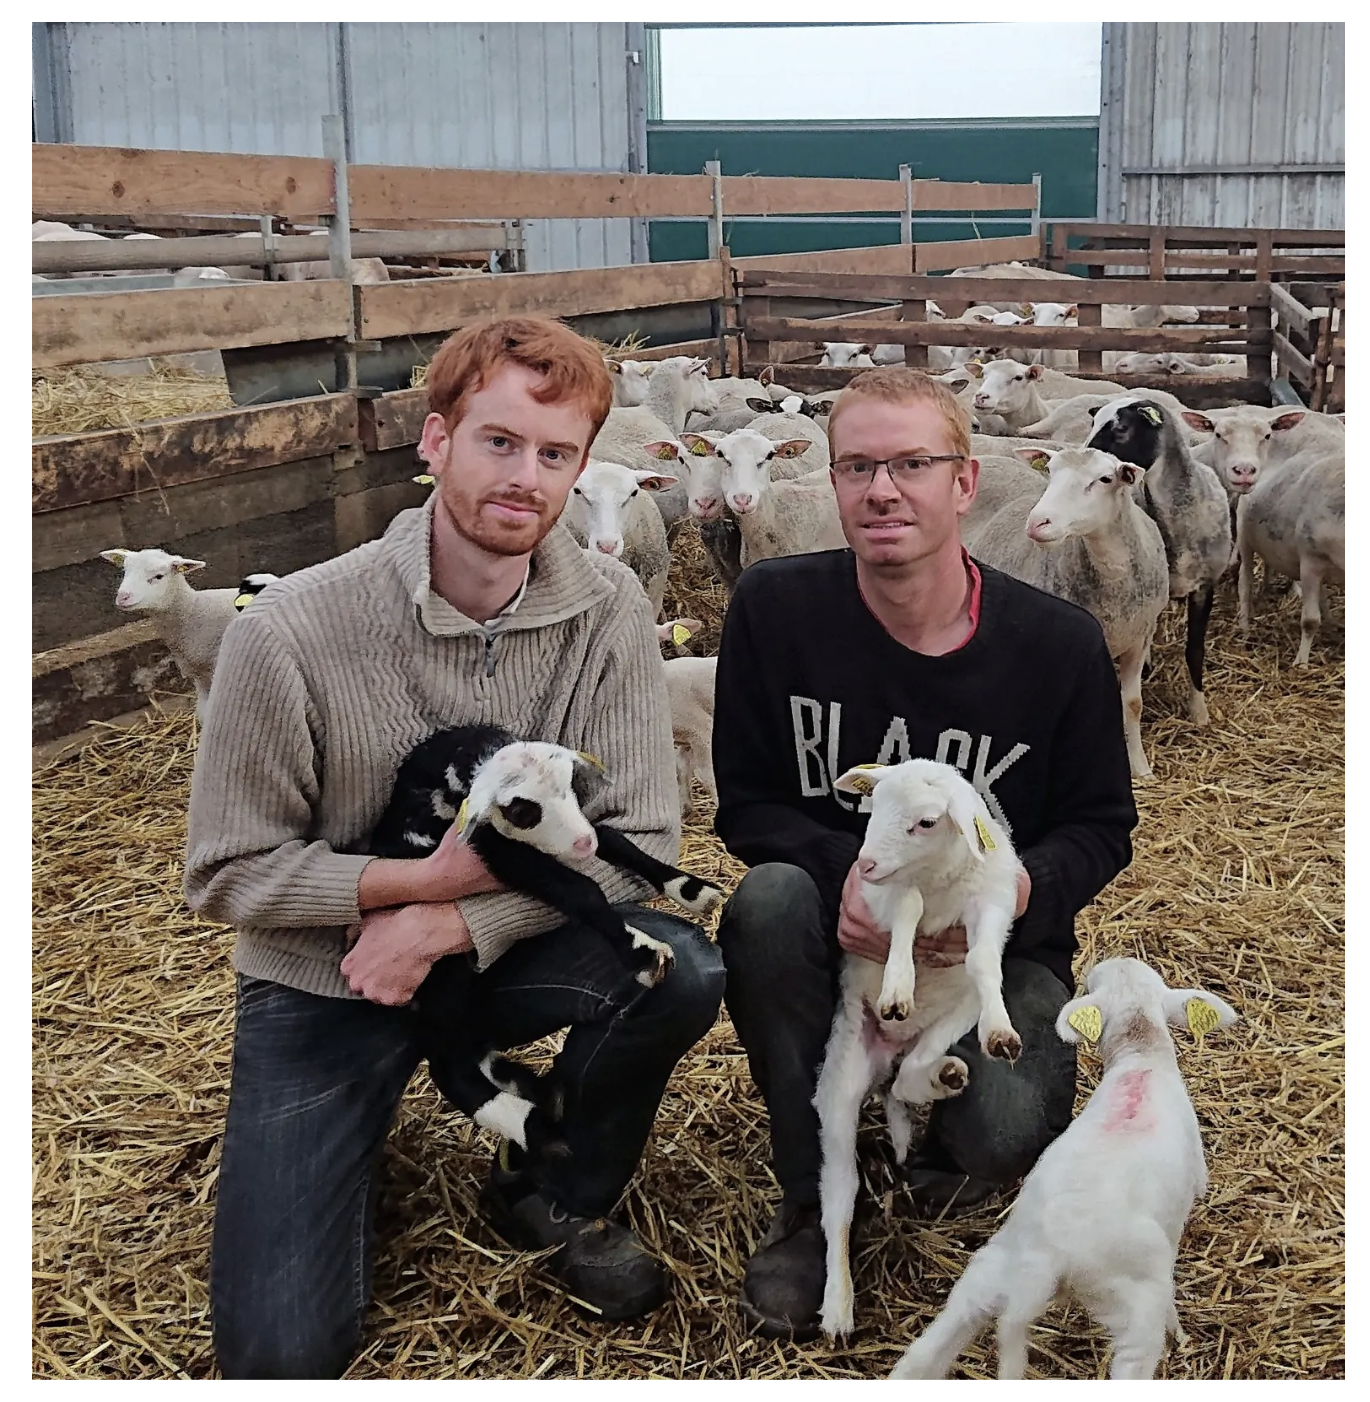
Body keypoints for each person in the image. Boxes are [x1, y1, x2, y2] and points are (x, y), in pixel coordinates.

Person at [184, 316, 726, 1378]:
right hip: (329, 976)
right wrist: (408, 883)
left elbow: (643, 841)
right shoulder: (289, 629)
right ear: (434, 442)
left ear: (582, 467)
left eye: (556, 452)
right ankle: (343, 1138)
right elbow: (225, 871)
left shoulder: (608, 608)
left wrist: (449, 918)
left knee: (678, 966)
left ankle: (549, 1187)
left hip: (498, 950)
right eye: (498, 440)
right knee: (282, 1352)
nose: (526, 477)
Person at [711, 367, 1139, 1341]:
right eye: (856, 465)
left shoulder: (1055, 647)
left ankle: (934, 1146)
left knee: (999, 1135)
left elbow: (1100, 824)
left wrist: (1022, 888)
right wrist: (843, 879)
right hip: (838, 933)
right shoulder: (773, 611)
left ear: (962, 480)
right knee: (767, 902)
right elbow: (748, 803)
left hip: (990, 954)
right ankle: (807, 1201)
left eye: (910, 463)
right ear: (829, 482)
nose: (881, 489)